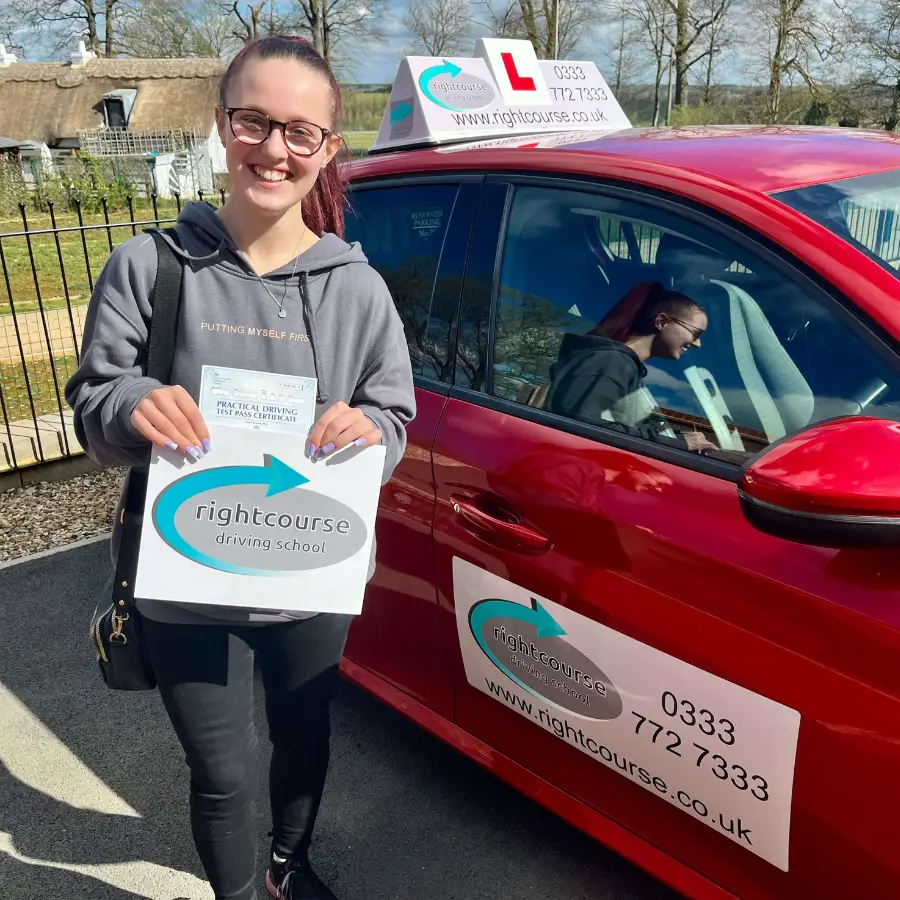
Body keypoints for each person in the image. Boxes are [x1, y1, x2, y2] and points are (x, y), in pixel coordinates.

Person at [65, 35, 415, 900]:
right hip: (187, 575)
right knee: (222, 773)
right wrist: (129, 405)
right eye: (255, 121)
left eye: (301, 132)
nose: (274, 149)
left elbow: (396, 417)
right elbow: (94, 407)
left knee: (303, 744)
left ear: (328, 149)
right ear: (223, 125)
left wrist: (367, 429)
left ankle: (288, 868)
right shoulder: (148, 266)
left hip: (309, 569)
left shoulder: (358, 287)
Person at [545, 281, 716, 453]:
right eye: (696, 334)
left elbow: (615, 423)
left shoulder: (621, 365)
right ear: (662, 322)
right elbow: (580, 426)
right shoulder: (611, 362)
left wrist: (672, 435)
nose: (698, 344)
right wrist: (677, 444)